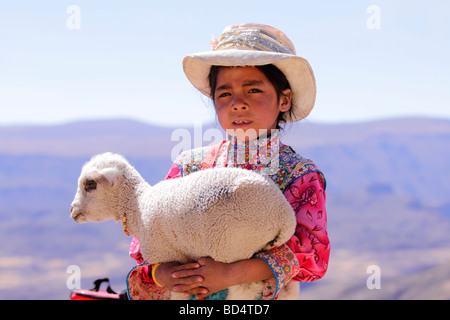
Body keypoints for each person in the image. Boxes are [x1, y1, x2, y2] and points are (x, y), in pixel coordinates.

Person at [125, 23, 330, 300]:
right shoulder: (190, 167)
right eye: (224, 93)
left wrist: (230, 275)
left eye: (253, 90)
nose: (237, 103)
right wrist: (163, 273)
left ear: (284, 99)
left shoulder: (299, 176)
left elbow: (313, 256)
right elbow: (147, 237)